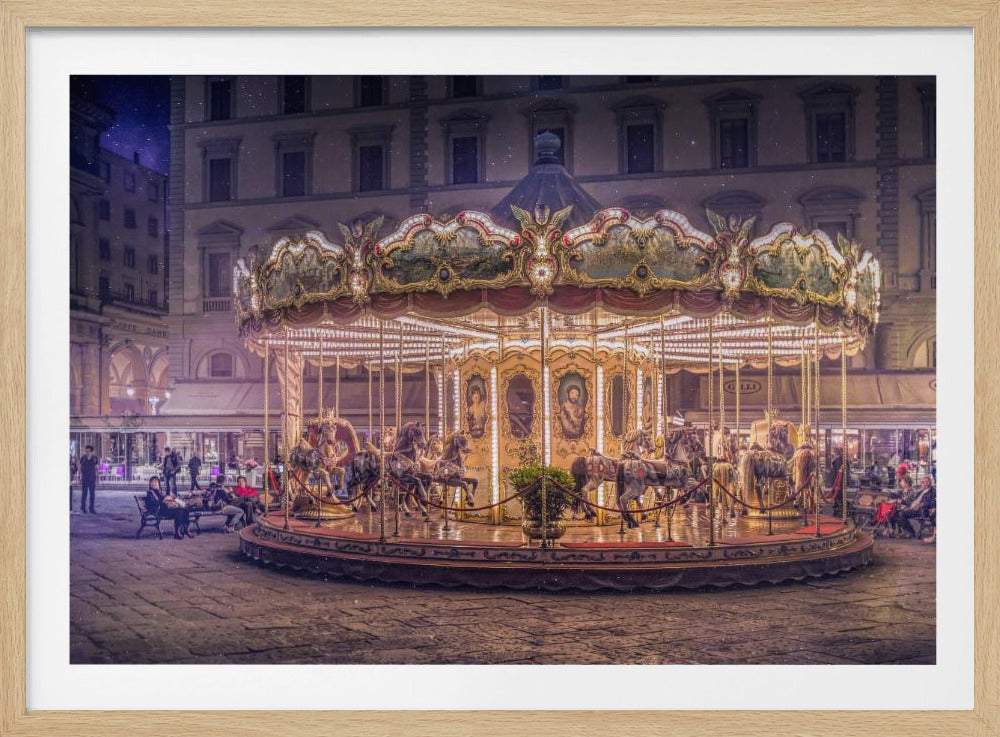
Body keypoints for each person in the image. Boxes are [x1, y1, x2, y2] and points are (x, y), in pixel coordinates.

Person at [897, 475, 936, 539]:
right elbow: (912, 501)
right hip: (914, 509)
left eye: (923, 482)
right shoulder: (920, 491)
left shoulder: (932, 491)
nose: (921, 484)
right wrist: (908, 507)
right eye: (921, 482)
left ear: (928, 483)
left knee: (901, 514)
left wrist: (922, 504)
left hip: (923, 510)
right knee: (900, 513)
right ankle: (911, 532)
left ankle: (912, 533)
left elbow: (932, 502)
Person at [78, 445, 99, 514]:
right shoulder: (83, 458)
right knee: (84, 493)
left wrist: (98, 477)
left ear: (92, 452)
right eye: (86, 451)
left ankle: (91, 508)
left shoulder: (94, 458)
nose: (87, 452)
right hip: (85, 478)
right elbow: (80, 467)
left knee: (92, 494)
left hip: (92, 478)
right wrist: (79, 476)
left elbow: (97, 468)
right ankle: (83, 508)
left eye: (89, 451)